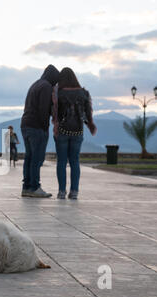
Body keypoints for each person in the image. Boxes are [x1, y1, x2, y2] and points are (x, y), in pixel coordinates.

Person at [53, 67, 97, 200]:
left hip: (62, 130)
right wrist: (90, 124)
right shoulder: (84, 93)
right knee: (74, 162)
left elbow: (54, 111)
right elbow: (88, 112)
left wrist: (55, 124)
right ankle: (74, 191)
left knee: (61, 162)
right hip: (78, 131)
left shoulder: (58, 92)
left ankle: (61, 192)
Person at [20, 65, 60, 198]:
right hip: (36, 126)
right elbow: (43, 109)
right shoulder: (46, 87)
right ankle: (35, 187)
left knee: (29, 157)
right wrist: (44, 127)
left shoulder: (36, 84)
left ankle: (26, 187)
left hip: (25, 124)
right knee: (37, 158)